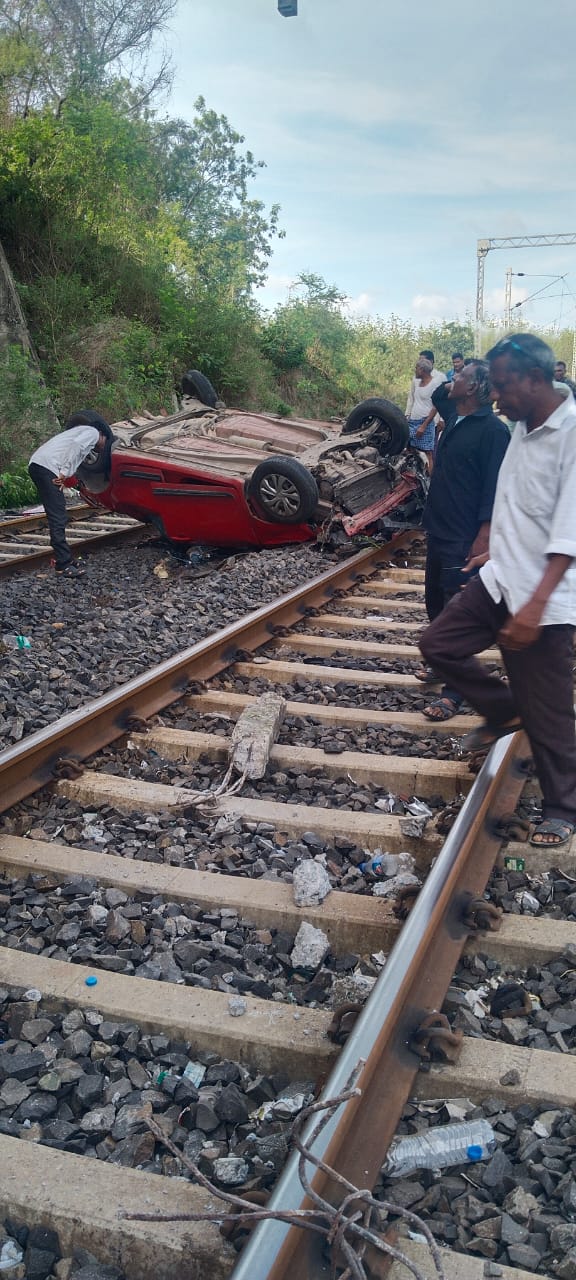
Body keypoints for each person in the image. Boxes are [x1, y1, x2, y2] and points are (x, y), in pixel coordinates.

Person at [420, 332, 576, 848]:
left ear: (537, 379)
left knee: (548, 708)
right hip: (499, 576)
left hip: (545, 597)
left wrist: (534, 606)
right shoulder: (518, 427)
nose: (496, 395)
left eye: (504, 385)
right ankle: (503, 709)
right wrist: (493, 548)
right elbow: (519, 505)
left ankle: (562, 808)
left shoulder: (571, 434)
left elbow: (569, 529)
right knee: (438, 645)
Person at [417, 360, 510, 721]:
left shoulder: (492, 431)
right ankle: (443, 668)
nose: (451, 380)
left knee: (454, 613)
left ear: (473, 388)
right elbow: (439, 393)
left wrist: (484, 538)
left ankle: (454, 694)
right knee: (434, 606)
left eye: (460, 377)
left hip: (464, 536)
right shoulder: (456, 417)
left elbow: (495, 489)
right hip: (439, 529)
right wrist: (456, 377)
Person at [28, 412, 112, 576]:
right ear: (102, 434)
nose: (103, 448)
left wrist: (79, 488)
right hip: (46, 467)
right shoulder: (92, 433)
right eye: (105, 443)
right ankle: (63, 564)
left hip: (42, 465)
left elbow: (71, 458)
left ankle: (65, 559)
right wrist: (64, 472)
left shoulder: (80, 434)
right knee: (58, 516)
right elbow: (75, 448)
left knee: (58, 513)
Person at [406, 357, 446, 472]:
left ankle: (429, 483)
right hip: (413, 421)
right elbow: (413, 399)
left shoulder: (435, 384)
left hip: (425, 423)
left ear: (422, 370)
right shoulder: (418, 382)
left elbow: (436, 407)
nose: (415, 370)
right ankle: (414, 478)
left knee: (427, 453)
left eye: (416, 368)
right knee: (411, 450)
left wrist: (424, 425)